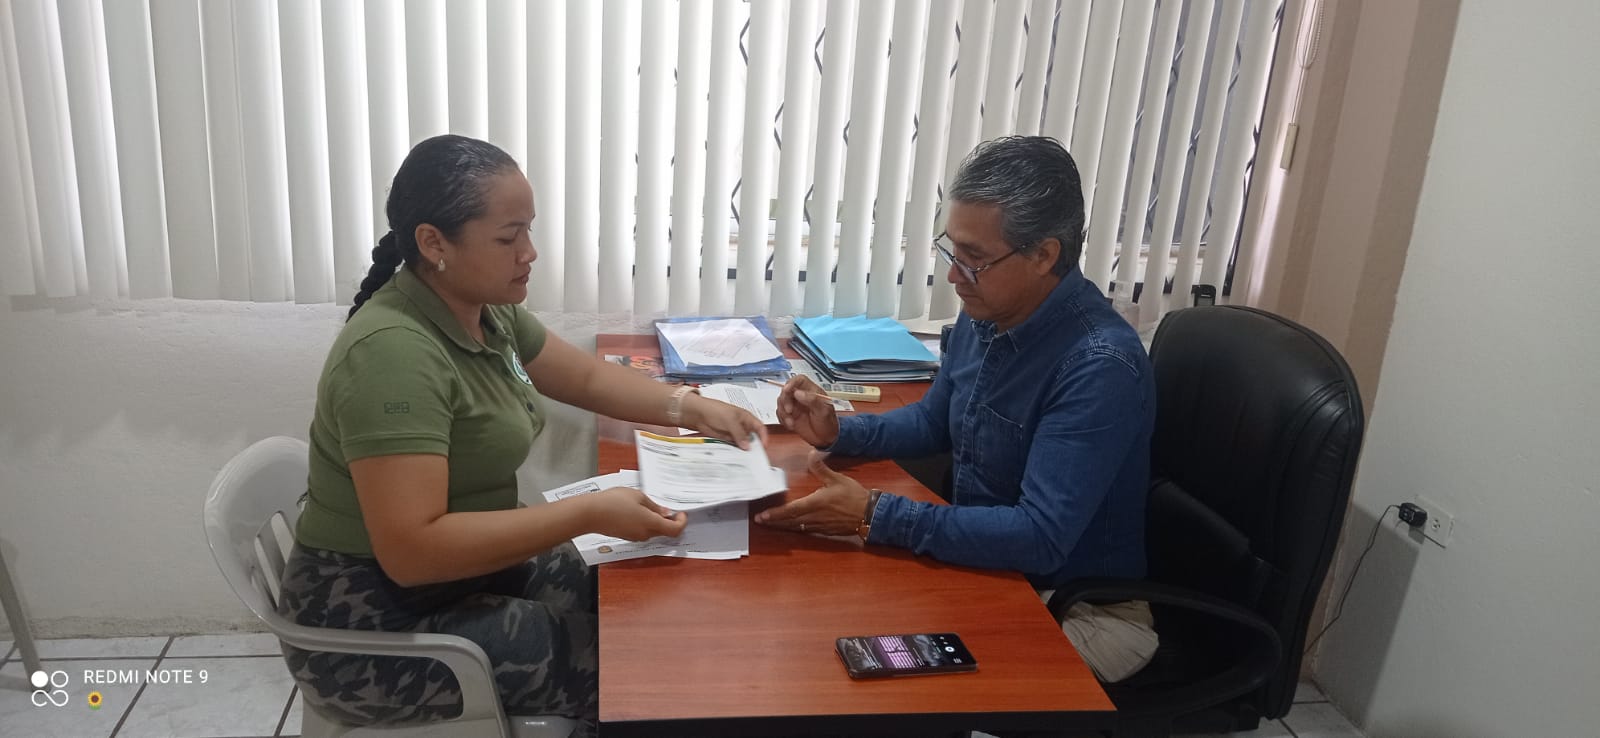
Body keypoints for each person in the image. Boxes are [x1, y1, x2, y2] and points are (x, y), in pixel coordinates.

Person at [277, 134, 766, 733]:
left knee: (640, 596)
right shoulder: (392, 355)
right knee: (638, 671)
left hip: (461, 575)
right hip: (374, 624)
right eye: (508, 238)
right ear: (434, 243)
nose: (529, 253)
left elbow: (585, 377)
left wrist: (689, 408)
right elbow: (412, 553)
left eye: (528, 231)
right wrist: (587, 513)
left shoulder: (483, 308)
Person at [755, 136, 1159, 683]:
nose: (953, 276)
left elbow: (1040, 537)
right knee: (813, 613)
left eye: (974, 260)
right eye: (952, 252)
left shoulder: (1098, 365)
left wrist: (875, 513)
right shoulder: (990, 309)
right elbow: (933, 421)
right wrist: (838, 432)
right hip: (996, 567)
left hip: (1078, 608)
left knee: (869, 675)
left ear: (1044, 255)